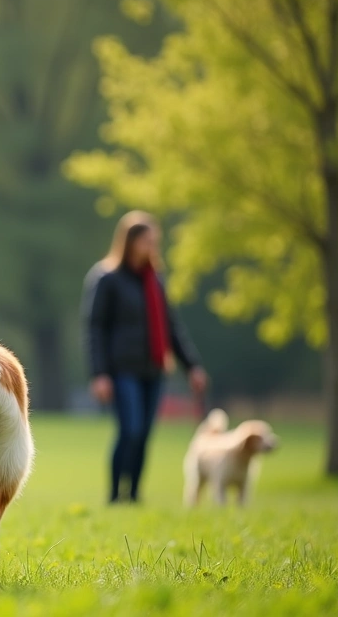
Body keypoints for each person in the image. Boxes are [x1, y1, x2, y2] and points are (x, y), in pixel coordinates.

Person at [85, 212, 207, 504]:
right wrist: (99, 374)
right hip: (121, 368)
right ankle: (115, 495)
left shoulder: (155, 280)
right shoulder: (106, 278)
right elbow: (95, 329)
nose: (152, 247)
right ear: (130, 242)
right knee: (130, 429)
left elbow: (171, 326)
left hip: (153, 368)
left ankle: (135, 493)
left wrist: (192, 366)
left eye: (155, 241)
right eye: (146, 241)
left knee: (145, 434)